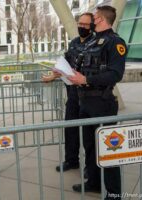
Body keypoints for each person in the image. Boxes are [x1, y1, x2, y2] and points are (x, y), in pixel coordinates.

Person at [68, 6, 126, 200]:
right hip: (85, 102)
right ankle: (93, 183)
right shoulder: (91, 41)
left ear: (100, 19)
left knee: (108, 149)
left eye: (93, 17)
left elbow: (115, 74)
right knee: (90, 146)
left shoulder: (115, 42)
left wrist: (86, 80)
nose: (91, 21)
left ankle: (114, 193)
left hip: (102, 103)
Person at [42, 12, 94, 174]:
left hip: (88, 95)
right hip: (72, 94)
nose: (81, 27)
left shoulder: (96, 44)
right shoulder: (74, 43)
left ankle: (90, 168)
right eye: (80, 24)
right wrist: (53, 75)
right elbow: (64, 65)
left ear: (92, 26)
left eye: (85, 25)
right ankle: (71, 161)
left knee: (88, 134)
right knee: (70, 129)